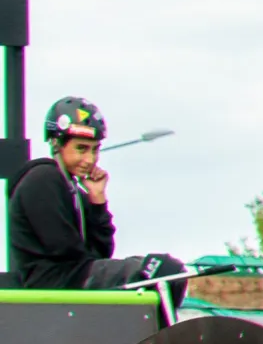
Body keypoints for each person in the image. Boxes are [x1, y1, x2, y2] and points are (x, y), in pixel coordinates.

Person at [3, 96, 189, 301]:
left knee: (166, 270)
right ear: (57, 144)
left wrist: (97, 200)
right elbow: (67, 251)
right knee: (162, 271)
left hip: (76, 276)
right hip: (56, 283)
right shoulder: (43, 179)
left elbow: (101, 253)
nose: (89, 160)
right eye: (81, 149)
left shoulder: (73, 189)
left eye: (95, 150)